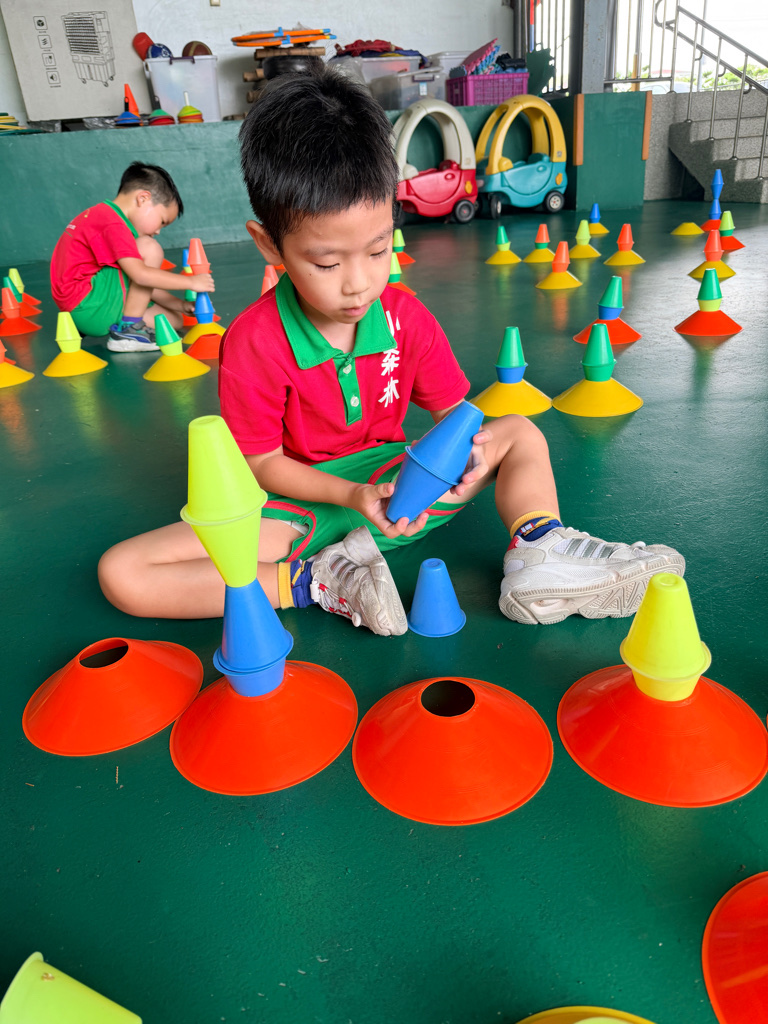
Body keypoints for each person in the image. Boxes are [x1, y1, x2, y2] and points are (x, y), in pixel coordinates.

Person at [98, 66, 684, 634]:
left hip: (403, 495)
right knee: (122, 572)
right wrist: (350, 495)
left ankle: (538, 548)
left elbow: (456, 418)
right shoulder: (253, 341)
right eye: (327, 262)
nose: (358, 284)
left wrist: (471, 460)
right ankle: (317, 581)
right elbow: (262, 465)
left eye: (378, 251)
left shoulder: (406, 317)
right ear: (269, 245)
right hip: (306, 512)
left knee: (518, 433)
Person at [50, 162, 214, 352]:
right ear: (143, 198)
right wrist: (191, 282)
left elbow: (142, 282)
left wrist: (181, 305)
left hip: (84, 310)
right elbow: (141, 276)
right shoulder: (113, 223)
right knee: (149, 247)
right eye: (162, 221)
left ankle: (128, 324)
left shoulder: (102, 216)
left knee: (173, 321)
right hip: (89, 305)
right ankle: (128, 330)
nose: (158, 231)